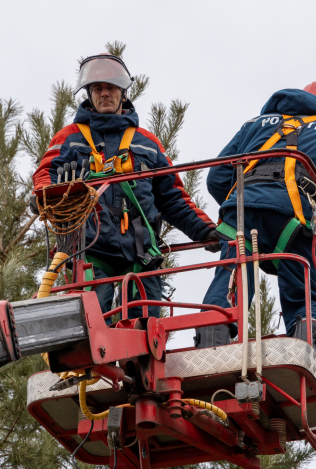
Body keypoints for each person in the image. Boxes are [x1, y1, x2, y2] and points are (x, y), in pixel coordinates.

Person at [33, 53, 216, 321]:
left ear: (123, 94)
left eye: (111, 88)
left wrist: (206, 231)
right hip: (90, 247)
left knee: (146, 324)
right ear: (89, 94)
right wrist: (43, 196)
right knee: (93, 322)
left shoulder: (146, 142)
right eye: (98, 88)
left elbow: (172, 197)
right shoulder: (70, 137)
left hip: (140, 249)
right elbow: (45, 174)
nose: (104, 93)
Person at [195, 82, 316, 353]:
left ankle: (211, 343)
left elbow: (217, 178)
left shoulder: (257, 123)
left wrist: (244, 203)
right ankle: (303, 353)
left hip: (243, 209)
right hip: (296, 214)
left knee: (232, 276)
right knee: (304, 285)